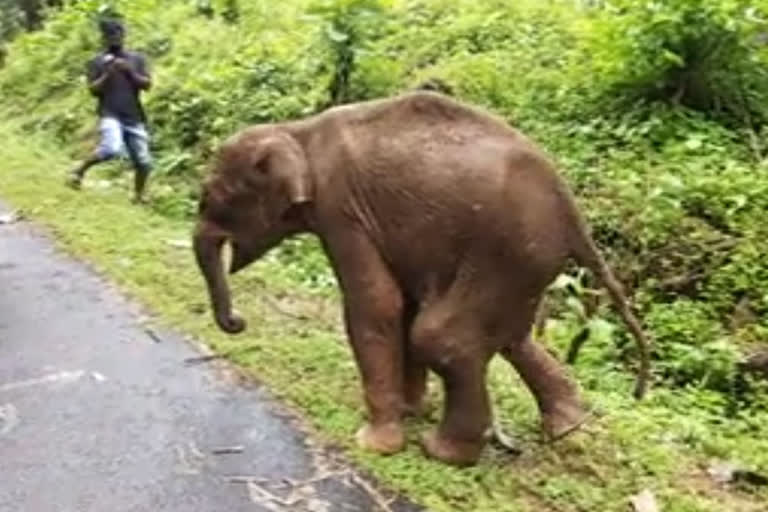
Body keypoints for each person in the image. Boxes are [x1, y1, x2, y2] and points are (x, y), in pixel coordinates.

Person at [66, 19, 153, 204]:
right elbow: (93, 90)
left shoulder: (137, 59)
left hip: (134, 115)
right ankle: (79, 171)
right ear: (104, 38)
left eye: (118, 34)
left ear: (124, 35)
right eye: (111, 35)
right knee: (111, 148)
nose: (116, 38)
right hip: (109, 113)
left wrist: (129, 72)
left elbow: (147, 85)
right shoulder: (96, 62)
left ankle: (138, 196)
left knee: (144, 162)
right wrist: (108, 74)